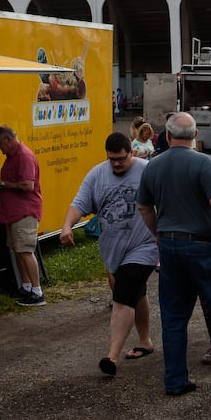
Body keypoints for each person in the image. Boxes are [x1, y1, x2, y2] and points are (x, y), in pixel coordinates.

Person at [136, 112, 211, 397]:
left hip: (170, 247)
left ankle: (176, 380)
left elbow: (143, 207)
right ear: (195, 136)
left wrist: (157, 234)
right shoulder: (204, 163)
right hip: (204, 247)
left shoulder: (152, 166)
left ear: (167, 136)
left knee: (174, 317)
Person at [59, 132, 157, 376]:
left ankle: (111, 356)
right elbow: (80, 204)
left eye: (121, 159)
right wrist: (67, 226)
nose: (116, 164)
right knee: (135, 292)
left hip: (144, 245)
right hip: (114, 249)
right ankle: (145, 341)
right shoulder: (97, 174)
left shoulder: (148, 171)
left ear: (131, 153)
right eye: (112, 159)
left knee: (123, 295)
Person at [0, 125, 44, 306]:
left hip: (24, 212)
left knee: (26, 251)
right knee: (17, 250)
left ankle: (37, 291)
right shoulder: (12, 157)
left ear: (8, 140)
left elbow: (28, 185)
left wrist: (1, 183)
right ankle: (26, 287)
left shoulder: (24, 157)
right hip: (13, 213)